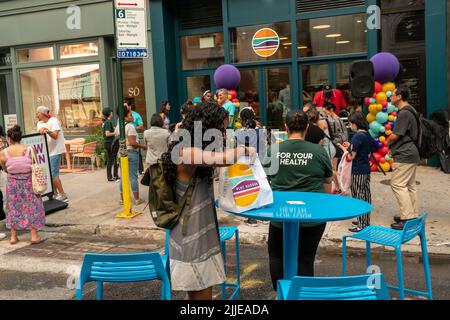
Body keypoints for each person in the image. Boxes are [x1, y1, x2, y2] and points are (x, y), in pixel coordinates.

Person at [161, 101, 255, 300]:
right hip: (191, 239)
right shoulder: (184, 151)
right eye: (221, 128)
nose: (222, 134)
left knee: (197, 297)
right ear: (207, 128)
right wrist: (244, 150)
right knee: (203, 299)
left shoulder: (192, 150)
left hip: (200, 234)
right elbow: (222, 159)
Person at [265, 110, 333, 291]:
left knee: (277, 256)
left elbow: (265, 181)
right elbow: (328, 182)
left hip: (281, 215)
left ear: (285, 127)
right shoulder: (318, 151)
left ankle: (282, 292)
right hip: (313, 216)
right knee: (305, 258)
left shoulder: (273, 150)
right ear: (307, 127)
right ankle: (302, 294)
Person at [0, 125, 46, 245]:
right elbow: (36, 164)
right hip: (29, 182)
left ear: (9, 138)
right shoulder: (29, 150)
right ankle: (34, 236)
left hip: (12, 183)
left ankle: (13, 237)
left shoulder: (3, 153)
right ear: (21, 138)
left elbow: (5, 168)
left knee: (13, 207)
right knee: (33, 206)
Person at [387, 85, 420, 230]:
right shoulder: (411, 110)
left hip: (405, 154)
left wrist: (387, 143)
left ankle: (408, 218)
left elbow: (396, 135)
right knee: (410, 186)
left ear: (399, 96)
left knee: (397, 184)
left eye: (393, 94)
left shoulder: (404, 113)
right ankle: (413, 214)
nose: (390, 97)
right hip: (411, 152)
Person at [338, 112, 373, 232]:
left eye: (351, 124)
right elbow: (367, 152)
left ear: (355, 124)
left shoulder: (357, 137)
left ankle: (362, 225)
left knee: (358, 196)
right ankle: (365, 221)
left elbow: (350, 157)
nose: (350, 126)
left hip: (357, 170)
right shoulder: (367, 135)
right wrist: (350, 146)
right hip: (366, 168)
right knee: (366, 194)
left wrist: (343, 148)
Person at [235, 107, 267, 226]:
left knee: (249, 189)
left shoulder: (238, 133)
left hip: (246, 163)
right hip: (260, 162)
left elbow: (238, 150)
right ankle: (264, 216)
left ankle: (252, 218)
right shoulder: (260, 131)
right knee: (262, 186)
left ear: (242, 119)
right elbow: (264, 148)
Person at [36, 106, 68, 202]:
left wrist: (47, 131)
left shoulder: (54, 121)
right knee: (49, 174)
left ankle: (62, 194)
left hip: (55, 151)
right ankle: (55, 193)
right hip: (46, 152)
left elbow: (54, 136)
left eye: (37, 113)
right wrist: (43, 130)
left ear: (42, 113)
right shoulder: (40, 123)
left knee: (54, 174)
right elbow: (40, 131)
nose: (36, 115)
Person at [115, 106, 146, 206]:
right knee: (133, 176)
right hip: (131, 153)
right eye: (130, 115)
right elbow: (132, 142)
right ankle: (137, 199)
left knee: (123, 176)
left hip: (121, 153)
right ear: (125, 117)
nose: (132, 116)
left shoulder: (118, 126)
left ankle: (121, 199)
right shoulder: (130, 127)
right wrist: (142, 146)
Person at [323, 102, 349, 193]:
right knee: (334, 169)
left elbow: (337, 135)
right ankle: (338, 188)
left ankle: (339, 188)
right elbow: (344, 134)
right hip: (338, 145)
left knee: (332, 169)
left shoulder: (332, 120)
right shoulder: (338, 119)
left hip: (335, 145)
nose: (324, 113)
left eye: (325, 111)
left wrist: (336, 143)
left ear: (331, 110)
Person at [124, 99, 144, 175]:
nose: (124, 107)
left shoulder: (136, 115)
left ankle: (141, 170)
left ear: (130, 106)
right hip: (126, 144)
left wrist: (132, 128)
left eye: (125, 106)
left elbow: (141, 126)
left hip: (135, 138)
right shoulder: (121, 117)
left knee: (138, 154)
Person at [102, 108, 119, 182]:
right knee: (113, 160)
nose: (112, 113)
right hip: (110, 143)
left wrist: (114, 129)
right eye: (111, 112)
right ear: (109, 113)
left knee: (111, 160)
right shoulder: (108, 122)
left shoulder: (106, 122)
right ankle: (113, 176)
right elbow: (107, 133)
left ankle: (112, 176)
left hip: (107, 143)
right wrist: (116, 133)